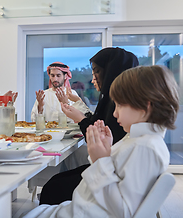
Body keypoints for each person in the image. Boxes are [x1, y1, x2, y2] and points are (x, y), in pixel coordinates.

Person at [24, 65, 179, 218]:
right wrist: (108, 149)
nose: (115, 112)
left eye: (120, 105)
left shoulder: (146, 148)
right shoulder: (138, 140)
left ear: (145, 106)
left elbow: (122, 212)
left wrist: (100, 160)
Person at [38, 47, 139, 205]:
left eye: (97, 71)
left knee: (54, 186)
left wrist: (79, 117)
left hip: (111, 176)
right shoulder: (109, 99)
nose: (116, 114)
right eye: (52, 75)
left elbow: (101, 135)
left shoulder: (118, 103)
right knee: (56, 181)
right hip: (109, 171)